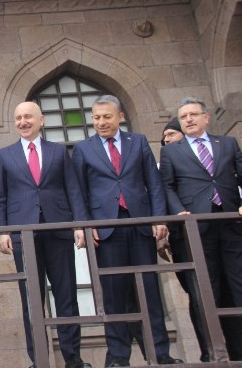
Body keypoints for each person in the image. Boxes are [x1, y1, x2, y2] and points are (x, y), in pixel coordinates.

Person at [71, 95, 182, 367]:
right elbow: (78, 192)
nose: (101, 122)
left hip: (140, 225)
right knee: (113, 295)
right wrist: (85, 225)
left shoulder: (138, 141)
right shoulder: (83, 149)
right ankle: (119, 357)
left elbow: (153, 183)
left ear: (120, 116)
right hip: (106, 230)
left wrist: (159, 219)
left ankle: (160, 353)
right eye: (96, 118)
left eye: (106, 117)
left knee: (149, 291)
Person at [0, 102, 91, 368]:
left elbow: (73, 190)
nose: (23, 122)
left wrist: (80, 225)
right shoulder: (5, 155)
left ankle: (73, 358)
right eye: (18, 118)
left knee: (66, 295)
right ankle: (39, 360)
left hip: (58, 230)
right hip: (23, 234)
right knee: (31, 299)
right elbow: (0, 196)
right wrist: (2, 231)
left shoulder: (58, 151)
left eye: (28, 117)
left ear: (41, 120)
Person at [159, 97, 242, 362]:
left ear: (206, 117)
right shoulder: (172, 151)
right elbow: (167, 186)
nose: (188, 119)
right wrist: (178, 211)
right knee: (206, 289)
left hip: (232, 223)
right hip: (196, 228)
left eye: (193, 114)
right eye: (183, 116)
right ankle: (212, 351)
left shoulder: (227, 143)